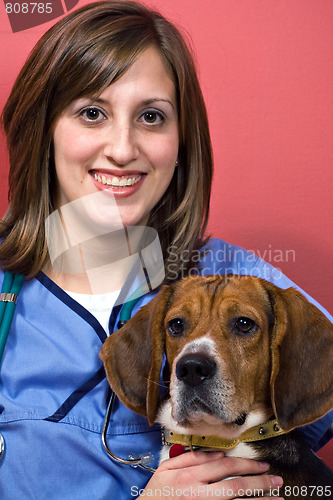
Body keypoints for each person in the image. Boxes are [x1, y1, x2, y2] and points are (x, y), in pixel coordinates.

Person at [0, 1, 332, 498]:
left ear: (181, 143)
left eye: (152, 117)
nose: (122, 148)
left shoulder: (241, 280)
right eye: (92, 113)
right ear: (43, 130)